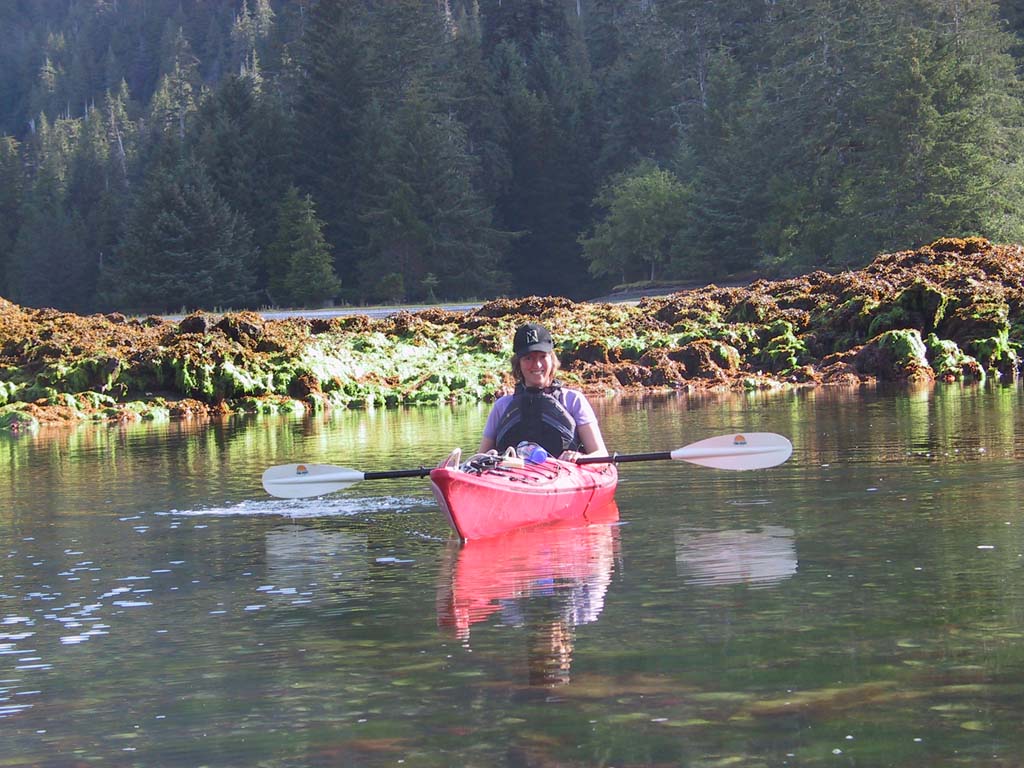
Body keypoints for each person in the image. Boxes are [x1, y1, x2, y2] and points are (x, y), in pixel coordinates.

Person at [479, 322, 608, 461]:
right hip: (513, 472)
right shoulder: (501, 407)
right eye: (528, 358)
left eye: (542, 356)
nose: (537, 364)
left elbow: (600, 455)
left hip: (565, 471)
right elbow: (479, 459)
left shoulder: (574, 401)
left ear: (552, 359)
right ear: (518, 364)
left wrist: (579, 457)